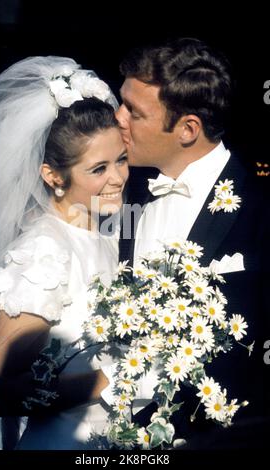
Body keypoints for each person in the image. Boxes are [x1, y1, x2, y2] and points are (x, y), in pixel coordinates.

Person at [116, 38, 270, 446]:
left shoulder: (261, 209)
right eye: (121, 103)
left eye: (133, 111)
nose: (118, 118)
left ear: (188, 129)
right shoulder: (121, 189)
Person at [0, 56, 130, 450]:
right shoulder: (44, 251)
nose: (118, 178)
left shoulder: (111, 235)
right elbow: (2, 393)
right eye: (98, 169)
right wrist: (117, 381)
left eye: (122, 160)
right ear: (53, 176)